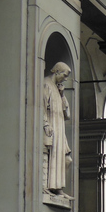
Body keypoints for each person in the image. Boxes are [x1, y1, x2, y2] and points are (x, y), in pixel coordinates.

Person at [43, 62, 73, 198]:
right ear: (57, 72)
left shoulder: (58, 89)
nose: (65, 79)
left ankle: (58, 188)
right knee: (53, 156)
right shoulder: (46, 84)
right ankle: (52, 188)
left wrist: (62, 95)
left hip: (60, 128)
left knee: (67, 160)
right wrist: (45, 124)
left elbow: (67, 115)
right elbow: (41, 106)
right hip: (52, 126)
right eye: (65, 75)